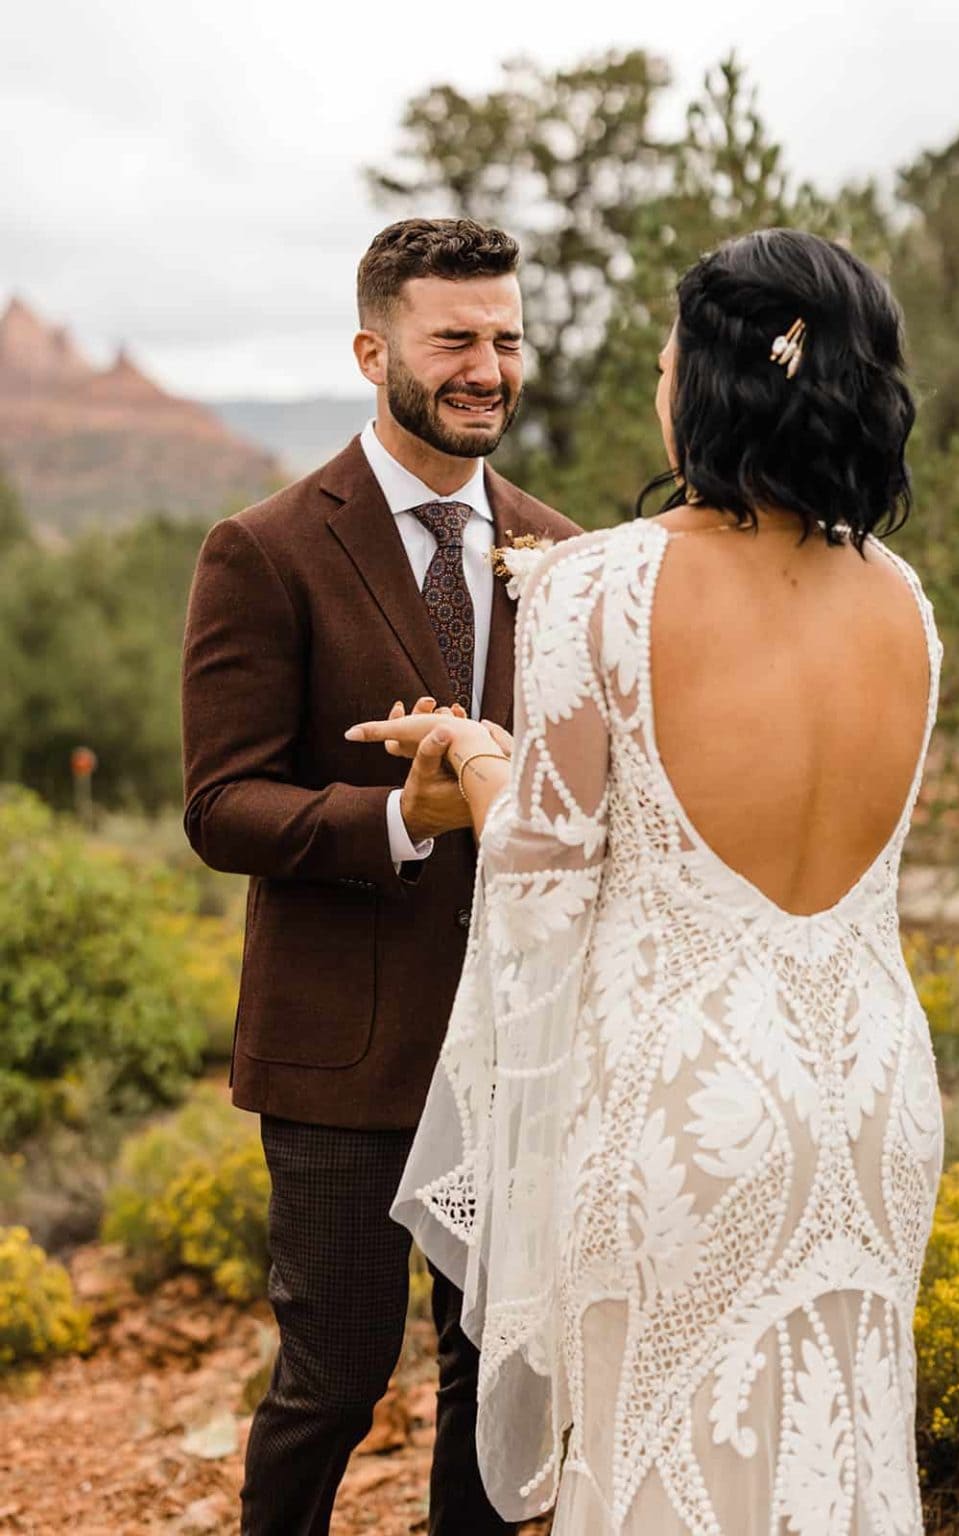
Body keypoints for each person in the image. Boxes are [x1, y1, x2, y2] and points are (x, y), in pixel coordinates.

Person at [348, 228, 944, 1534]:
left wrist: (478, 756)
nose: (661, 380)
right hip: (872, 1098)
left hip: (687, 1109)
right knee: (834, 1460)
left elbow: (539, 874)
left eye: (670, 360)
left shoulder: (601, 584)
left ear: (711, 385)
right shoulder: (904, 601)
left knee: (667, 1461)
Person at [180, 217, 579, 1536]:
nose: (488, 369)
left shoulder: (566, 556)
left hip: (519, 1051)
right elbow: (221, 805)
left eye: (506, 340)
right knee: (335, 1381)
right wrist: (403, 816)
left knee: (495, 1382)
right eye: (454, 339)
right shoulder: (266, 548)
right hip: (342, 1058)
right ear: (372, 353)